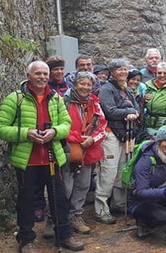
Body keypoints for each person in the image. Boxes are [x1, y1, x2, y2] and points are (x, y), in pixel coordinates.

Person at [0, 61, 85, 252]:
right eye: (38, 73)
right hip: (27, 161)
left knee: (59, 199)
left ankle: (64, 236)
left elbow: (66, 124)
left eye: (45, 73)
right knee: (26, 201)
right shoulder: (15, 99)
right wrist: (26, 133)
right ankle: (26, 240)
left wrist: (55, 132)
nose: (42, 77)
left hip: (52, 158)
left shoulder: (56, 98)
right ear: (28, 76)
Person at [95, 59, 141, 224]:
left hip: (126, 134)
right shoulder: (106, 89)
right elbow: (109, 111)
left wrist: (132, 112)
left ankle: (119, 203)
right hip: (111, 134)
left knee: (123, 169)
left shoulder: (127, 89)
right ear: (112, 72)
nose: (123, 72)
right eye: (120, 69)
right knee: (108, 171)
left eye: (125, 69)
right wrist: (128, 112)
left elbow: (137, 108)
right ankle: (101, 209)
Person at [62, 71, 107, 235]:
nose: (86, 87)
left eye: (89, 84)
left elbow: (102, 126)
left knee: (83, 185)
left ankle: (75, 215)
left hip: (88, 149)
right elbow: (59, 124)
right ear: (74, 84)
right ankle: (55, 218)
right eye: (82, 83)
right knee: (65, 187)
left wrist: (92, 139)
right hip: (68, 149)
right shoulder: (63, 102)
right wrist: (78, 138)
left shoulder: (95, 104)